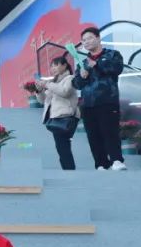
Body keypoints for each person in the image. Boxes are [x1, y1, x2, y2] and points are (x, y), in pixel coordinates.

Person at [71, 26, 126, 170]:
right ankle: (101, 164)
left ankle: (116, 160)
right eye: (84, 40)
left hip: (108, 101)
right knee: (93, 136)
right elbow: (77, 84)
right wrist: (82, 76)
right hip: (88, 104)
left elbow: (117, 68)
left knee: (110, 132)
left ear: (98, 38)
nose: (87, 42)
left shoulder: (112, 54)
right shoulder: (83, 62)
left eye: (89, 38)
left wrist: (97, 64)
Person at [36, 55, 80, 171]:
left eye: (56, 65)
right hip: (56, 117)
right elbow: (43, 101)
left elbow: (65, 92)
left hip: (67, 116)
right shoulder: (52, 82)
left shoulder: (69, 78)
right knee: (61, 146)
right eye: (51, 66)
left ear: (64, 66)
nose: (53, 68)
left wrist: (47, 85)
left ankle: (69, 171)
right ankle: (68, 170)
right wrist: (39, 91)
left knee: (62, 146)